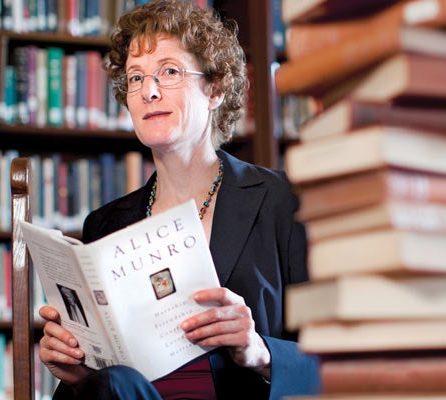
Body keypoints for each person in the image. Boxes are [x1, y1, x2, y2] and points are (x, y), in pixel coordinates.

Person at [38, 1, 320, 399]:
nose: (148, 91)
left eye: (169, 72)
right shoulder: (105, 225)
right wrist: (75, 375)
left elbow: (342, 363)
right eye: (135, 78)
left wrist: (260, 352)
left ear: (215, 89)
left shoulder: (284, 202)